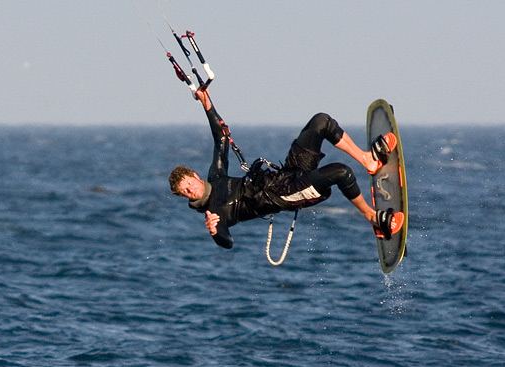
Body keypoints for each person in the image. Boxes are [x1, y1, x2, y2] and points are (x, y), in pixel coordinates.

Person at [169, 86, 404, 249]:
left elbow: (220, 137)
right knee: (340, 172)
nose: (191, 191)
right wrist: (214, 232)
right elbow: (227, 242)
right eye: (186, 193)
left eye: (189, 185)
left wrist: (207, 104)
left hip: (285, 174)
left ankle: (368, 160)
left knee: (320, 122)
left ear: (195, 176)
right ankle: (372, 217)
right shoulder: (216, 213)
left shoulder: (215, 176)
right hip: (285, 195)